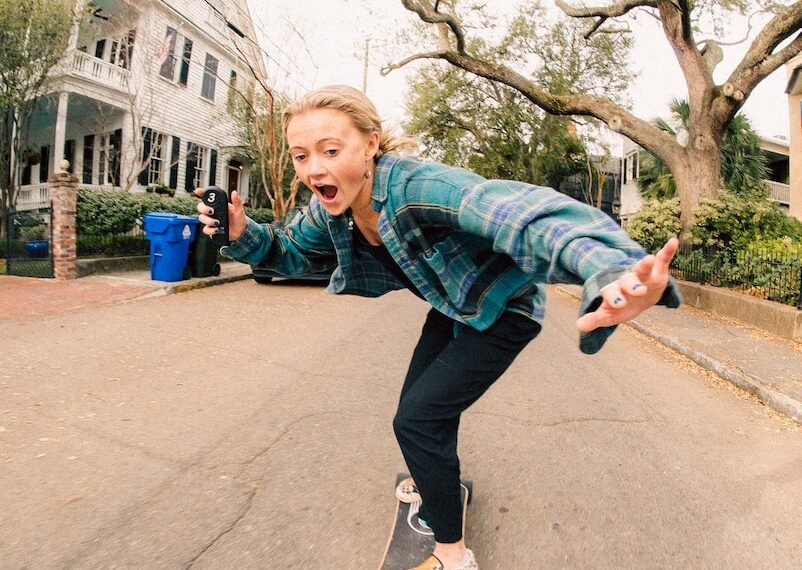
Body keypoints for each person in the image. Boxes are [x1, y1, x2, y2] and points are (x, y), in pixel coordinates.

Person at [195, 85, 681, 570]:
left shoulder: (418, 188)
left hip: (504, 312)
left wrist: (609, 268)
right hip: (451, 307)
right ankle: (436, 482)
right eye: (301, 156)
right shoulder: (332, 212)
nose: (313, 169)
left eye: (330, 150)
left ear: (371, 144)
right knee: (419, 413)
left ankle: (452, 555)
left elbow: (522, 215)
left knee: (417, 420)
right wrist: (244, 235)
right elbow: (289, 252)